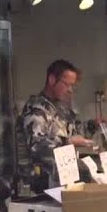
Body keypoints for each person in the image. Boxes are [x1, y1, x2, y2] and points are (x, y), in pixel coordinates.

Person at [17, 60, 91, 190]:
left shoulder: (59, 108)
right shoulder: (37, 109)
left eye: (72, 86)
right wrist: (68, 141)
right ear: (52, 79)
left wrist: (92, 125)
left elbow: (71, 132)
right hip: (39, 185)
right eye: (66, 84)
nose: (70, 90)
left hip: (61, 180)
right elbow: (37, 145)